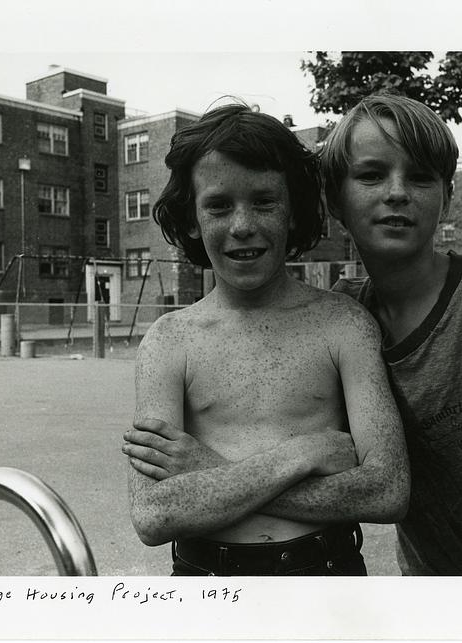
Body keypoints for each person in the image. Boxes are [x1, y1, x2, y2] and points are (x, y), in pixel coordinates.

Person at [125, 93, 462, 576]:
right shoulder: (346, 305)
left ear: (448, 197)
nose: (398, 193)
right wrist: (290, 460)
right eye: (371, 175)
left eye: (422, 177)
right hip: (425, 578)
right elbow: (156, 512)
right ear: (336, 203)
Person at [126, 103, 410, 576]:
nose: (242, 225)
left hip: (327, 574)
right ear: (193, 218)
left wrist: (208, 472)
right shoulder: (168, 341)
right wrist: (302, 454)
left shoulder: (344, 324)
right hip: (206, 583)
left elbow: (387, 489)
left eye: (264, 201)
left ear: (293, 209)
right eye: (218, 205)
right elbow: (154, 515)